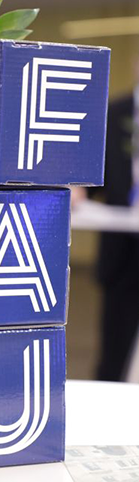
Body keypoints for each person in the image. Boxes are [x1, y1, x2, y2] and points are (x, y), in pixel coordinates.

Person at [91, 86, 139, 381]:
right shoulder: (111, 112)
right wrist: (79, 189)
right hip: (122, 251)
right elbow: (95, 173)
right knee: (114, 352)